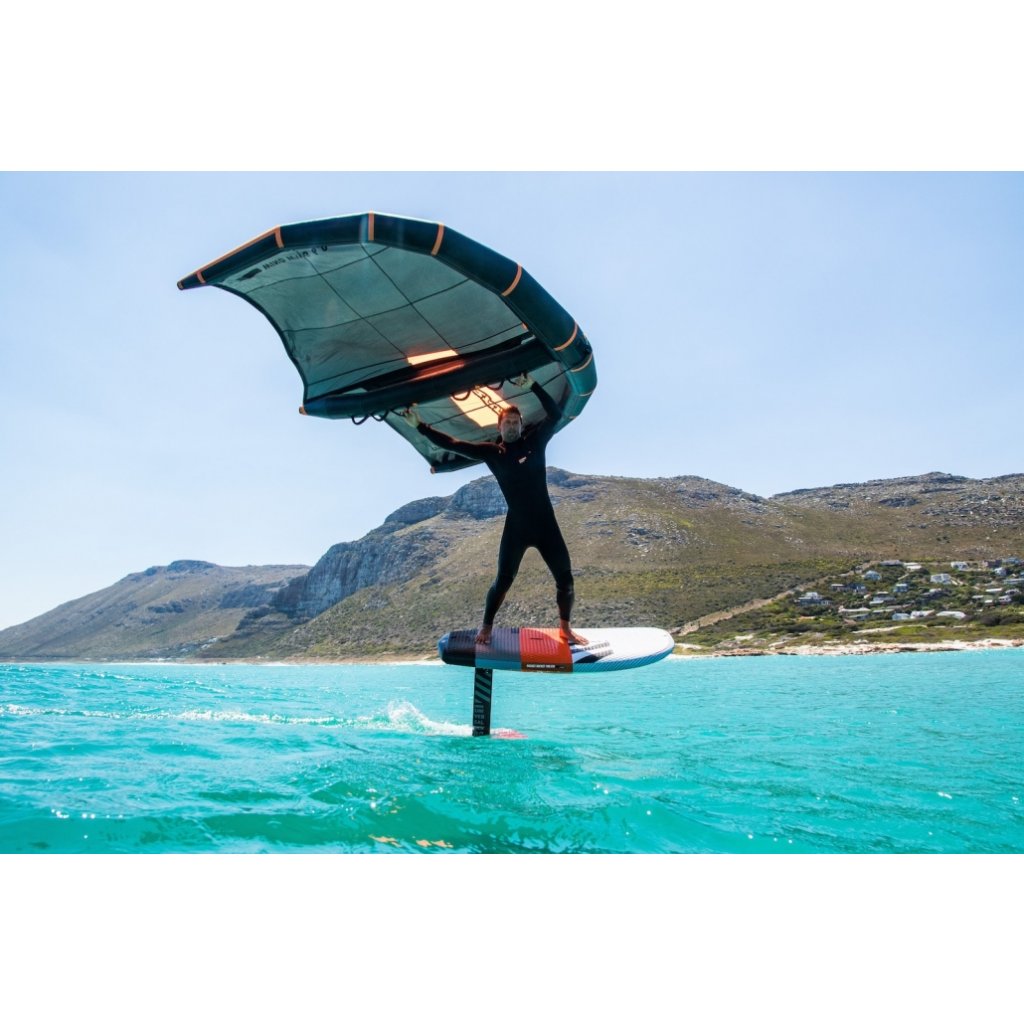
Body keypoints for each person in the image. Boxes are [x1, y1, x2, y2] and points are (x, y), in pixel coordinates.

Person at [402, 374, 586, 647]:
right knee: (503, 580)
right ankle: (487, 626)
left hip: (546, 525)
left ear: (521, 425)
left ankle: (565, 629)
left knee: (565, 579)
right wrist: (420, 426)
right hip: (517, 528)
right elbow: (453, 444)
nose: (511, 426)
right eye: (506, 422)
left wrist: (533, 386)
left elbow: (555, 414)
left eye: (515, 422)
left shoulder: (535, 442)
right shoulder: (493, 453)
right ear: (499, 426)